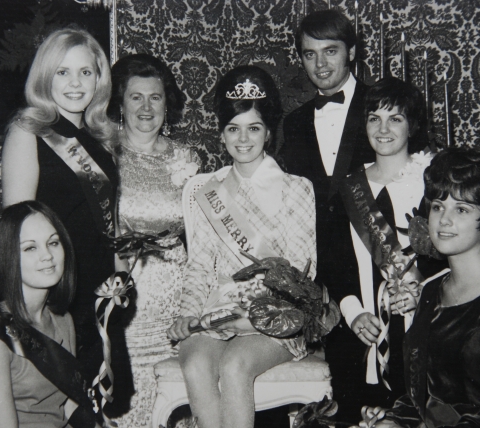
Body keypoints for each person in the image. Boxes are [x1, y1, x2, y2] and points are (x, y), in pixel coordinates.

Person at [168, 65, 318, 428]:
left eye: (253, 128)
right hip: (217, 312)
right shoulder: (209, 190)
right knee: (195, 361)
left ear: (268, 133)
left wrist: (255, 315)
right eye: (233, 129)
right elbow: (200, 264)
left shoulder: (296, 189)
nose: (243, 139)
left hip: (276, 315)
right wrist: (187, 311)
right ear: (221, 134)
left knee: (234, 365)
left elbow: (299, 273)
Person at [357, 147, 480, 428]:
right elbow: (420, 398)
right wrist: (395, 421)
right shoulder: (431, 290)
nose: (444, 220)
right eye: (437, 206)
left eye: (461, 209)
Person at [0, 27, 130, 417]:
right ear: (44, 76)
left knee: (96, 403)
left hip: (99, 285)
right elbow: (18, 225)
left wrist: (121, 266)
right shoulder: (28, 131)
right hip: (57, 285)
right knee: (61, 405)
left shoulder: (101, 136)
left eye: (86, 72)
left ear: (99, 78)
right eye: (62, 72)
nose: (75, 83)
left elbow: (109, 217)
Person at [327, 77, 445, 423]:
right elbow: (334, 264)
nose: (383, 128)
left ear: (413, 126)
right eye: (374, 118)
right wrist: (353, 312)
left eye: (395, 118)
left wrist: (423, 295)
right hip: (363, 337)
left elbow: (455, 260)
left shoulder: (434, 187)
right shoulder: (348, 190)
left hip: (425, 333)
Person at [107, 53, 199, 427]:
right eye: (136, 97)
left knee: (176, 399)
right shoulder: (103, 155)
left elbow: (200, 234)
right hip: (126, 294)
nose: (146, 107)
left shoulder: (188, 159)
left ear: (167, 103)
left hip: (178, 300)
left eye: (156, 97)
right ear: (120, 103)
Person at [0, 201, 98, 428]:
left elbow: (66, 403)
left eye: (53, 243)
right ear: (5, 257)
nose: (47, 255)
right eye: (30, 248)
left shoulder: (63, 320)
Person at [281, 9, 376, 293]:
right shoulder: (294, 122)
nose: (320, 64)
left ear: (351, 52)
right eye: (310, 54)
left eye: (330, 51)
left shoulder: (381, 108)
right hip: (320, 271)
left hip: (376, 260)